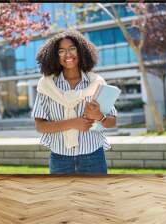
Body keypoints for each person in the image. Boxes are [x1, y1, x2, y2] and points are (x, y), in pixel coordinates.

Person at [32, 30, 117, 175]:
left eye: (72, 48)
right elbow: (40, 126)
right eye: (61, 51)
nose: (67, 54)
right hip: (60, 159)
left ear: (81, 51)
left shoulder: (96, 83)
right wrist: (73, 123)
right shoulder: (47, 86)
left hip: (93, 157)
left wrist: (99, 116)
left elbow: (112, 122)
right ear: (55, 56)